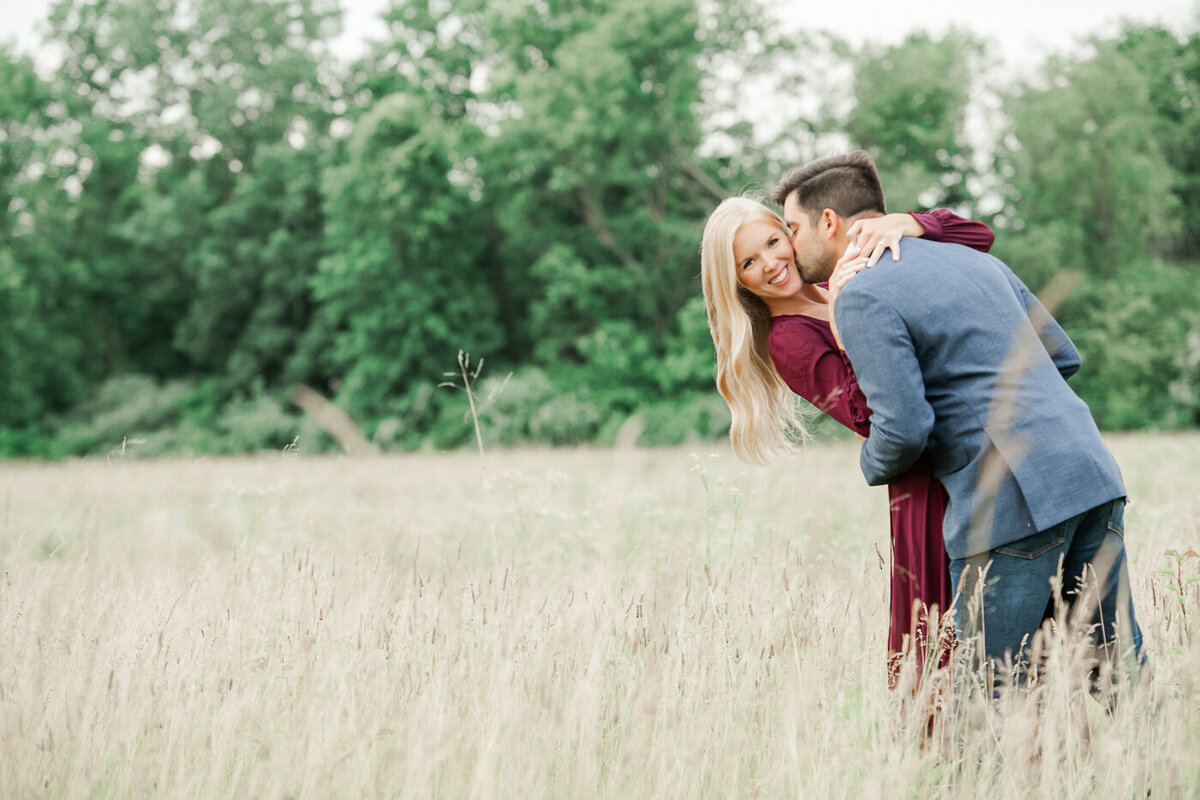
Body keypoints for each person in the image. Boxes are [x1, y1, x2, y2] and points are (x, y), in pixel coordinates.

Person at [773, 150, 1143, 695]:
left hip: (1012, 501)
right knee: (1119, 677)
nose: (790, 242)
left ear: (829, 223)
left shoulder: (861, 294)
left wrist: (869, 464)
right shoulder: (973, 261)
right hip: (1090, 474)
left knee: (987, 702)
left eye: (793, 227)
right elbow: (1062, 357)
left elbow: (903, 428)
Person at [699, 195, 994, 687]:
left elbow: (979, 238)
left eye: (774, 242)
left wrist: (911, 223)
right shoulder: (788, 340)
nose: (771, 263)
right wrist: (842, 319)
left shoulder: (843, 268)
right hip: (925, 487)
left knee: (1008, 627)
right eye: (749, 262)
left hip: (976, 457)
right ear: (735, 281)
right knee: (938, 643)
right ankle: (939, 759)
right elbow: (871, 417)